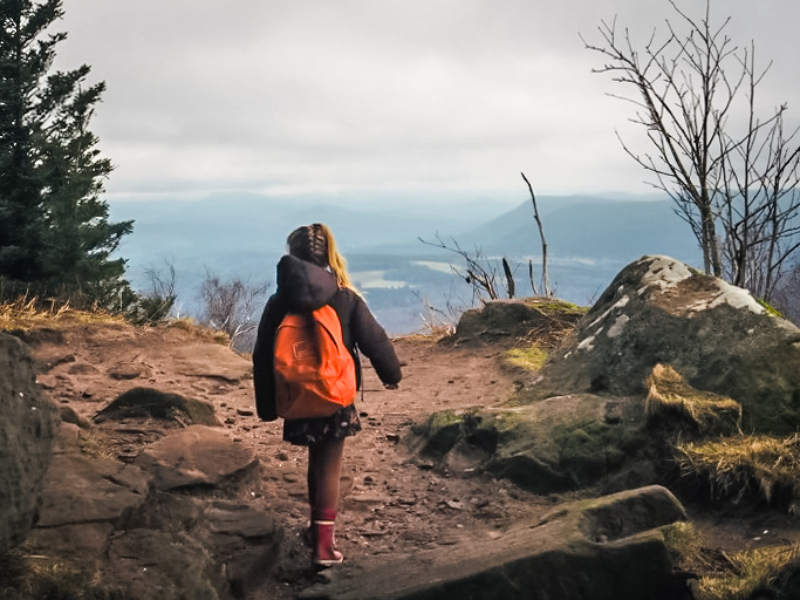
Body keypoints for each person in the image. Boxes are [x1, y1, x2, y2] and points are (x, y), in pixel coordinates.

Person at [252, 223, 402, 567]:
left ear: (293, 256)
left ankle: (314, 529)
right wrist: (391, 375)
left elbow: (262, 355)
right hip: (335, 398)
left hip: (297, 396)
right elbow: (374, 339)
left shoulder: (279, 302)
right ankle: (323, 547)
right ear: (328, 255)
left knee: (314, 462)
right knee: (329, 466)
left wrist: (267, 407)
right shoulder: (345, 296)